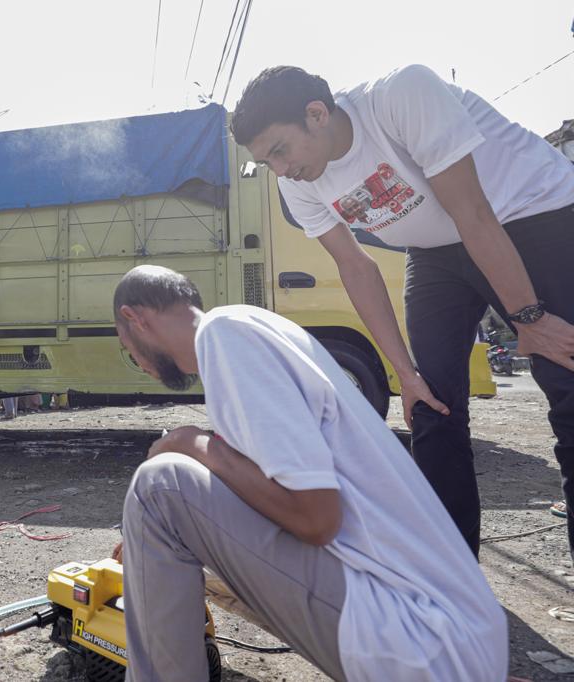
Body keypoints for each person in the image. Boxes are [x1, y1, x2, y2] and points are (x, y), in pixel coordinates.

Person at [230, 65, 574, 557]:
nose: (279, 171)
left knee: (569, 389)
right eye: (267, 163)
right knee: (431, 405)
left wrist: (531, 318)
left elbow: (473, 213)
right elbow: (356, 266)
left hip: (530, 214)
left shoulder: (400, 96)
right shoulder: (298, 179)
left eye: (279, 151)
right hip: (434, 250)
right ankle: (453, 588)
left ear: (316, 114)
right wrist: (403, 374)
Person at [112, 265, 507, 681]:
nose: (136, 360)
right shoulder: (256, 328)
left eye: (127, 346)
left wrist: (190, 443)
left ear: (135, 318)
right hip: (457, 641)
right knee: (174, 521)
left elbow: (316, 519)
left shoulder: (225, 334)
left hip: (423, 640)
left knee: (159, 487)